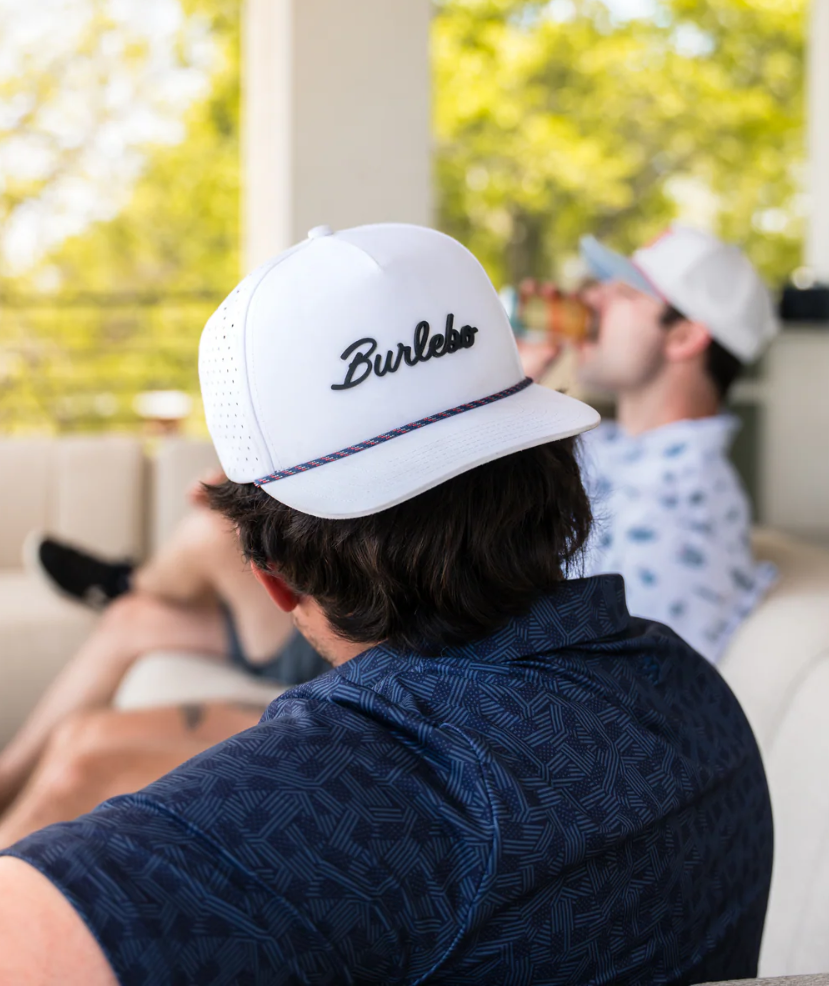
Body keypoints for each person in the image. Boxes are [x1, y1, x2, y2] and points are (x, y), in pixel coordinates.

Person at [0, 223, 772, 985]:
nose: (597, 296)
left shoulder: (362, 792)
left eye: (628, 290)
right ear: (557, 474)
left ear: (274, 578)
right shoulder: (700, 704)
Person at [0, 474, 327, 846]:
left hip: (332, 663)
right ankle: (8, 777)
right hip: (328, 645)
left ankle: (126, 581)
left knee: (82, 757)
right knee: (129, 621)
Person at [524, 224, 779, 664]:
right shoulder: (602, 450)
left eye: (624, 292)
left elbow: (624, 692)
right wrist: (515, 383)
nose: (591, 298)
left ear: (683, 337)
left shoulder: (686, 501)